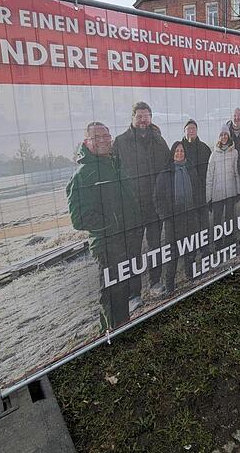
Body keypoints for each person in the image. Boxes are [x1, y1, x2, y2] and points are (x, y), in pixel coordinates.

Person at [66, 122, 142, 330]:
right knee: (111, 293)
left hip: (126, 239)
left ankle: (120, 328)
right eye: (97, 137)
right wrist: (114, 225)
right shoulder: (83, 175)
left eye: (106, 136)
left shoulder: (114, 165)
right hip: (107, 244)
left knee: (122, 290)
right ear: (86, 142)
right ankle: (111, 334)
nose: (103, 140)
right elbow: (79, 218)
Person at [114, 102, 171, 302]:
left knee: (155, 245)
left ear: (151, 118)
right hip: (132, 208)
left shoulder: (159, 141)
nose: (143, 120)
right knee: (133, 251)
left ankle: (155, 282)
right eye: (139, 116)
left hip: (155, 206)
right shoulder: (120, 143)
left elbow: (167, 169)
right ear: (132, 118)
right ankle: (134, 293)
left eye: (146, 116)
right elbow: (114, 175)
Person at [154, 142, 203, 294]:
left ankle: (191, 275)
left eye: (182, 151)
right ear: (172, 153)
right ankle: (169, 285)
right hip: (173, 220)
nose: (179, 153)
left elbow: (198, 190)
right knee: (172, 252)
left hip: (190, 215)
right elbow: (157, 198)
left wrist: (198, 210)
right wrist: (165, 217)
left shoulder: (191, 169)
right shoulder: (165, 173)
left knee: (190, 247)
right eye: (177, 151)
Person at [206, 125, 240, 249]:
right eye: (221, 135)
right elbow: (209, 177)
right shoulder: (214, 155)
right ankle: (218, 243)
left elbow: (236, 172)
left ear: (228, 135)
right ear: (219, 137)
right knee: (217, 219)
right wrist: (209, 197)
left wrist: (238, 190)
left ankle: (230, 239)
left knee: (230, 217)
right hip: (218, 193)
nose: (224, 137)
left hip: (231, 191)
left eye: (225, 134)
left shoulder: (234, 152)